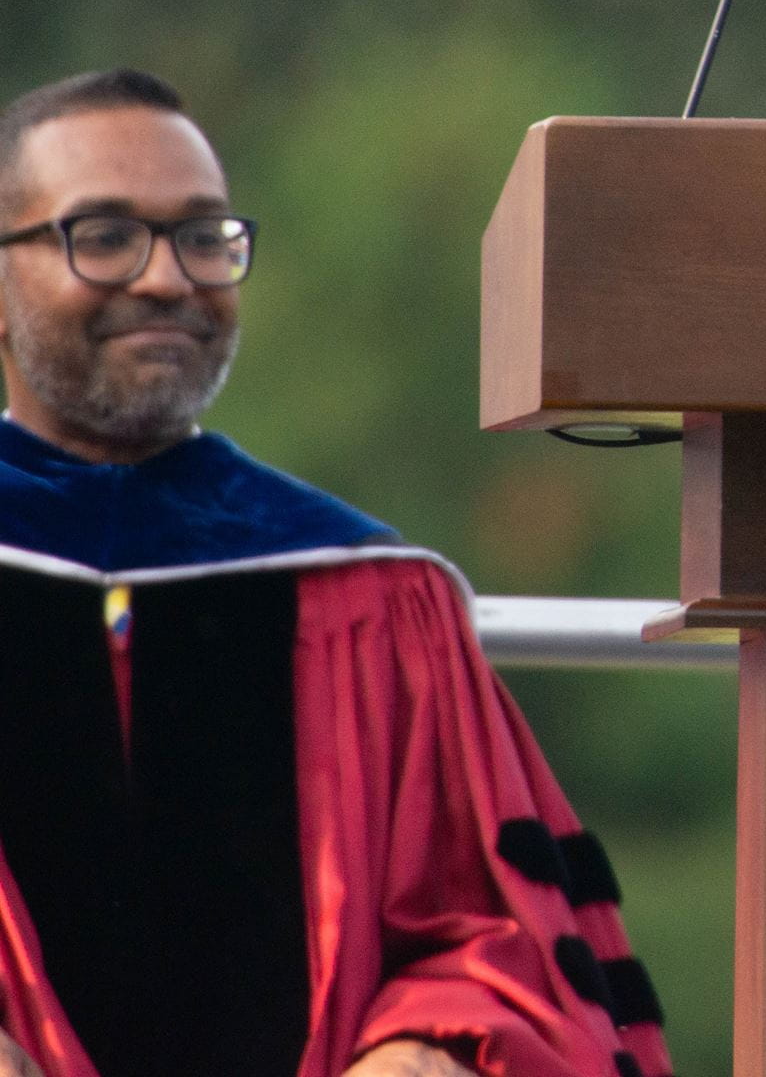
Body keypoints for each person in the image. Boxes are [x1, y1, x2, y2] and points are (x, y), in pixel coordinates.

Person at [0, 70, 670, 1077]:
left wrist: (420, 1054)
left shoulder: (366, 594)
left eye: (202, 236)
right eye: (101, 235)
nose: (168, 279)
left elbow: (495, 934)